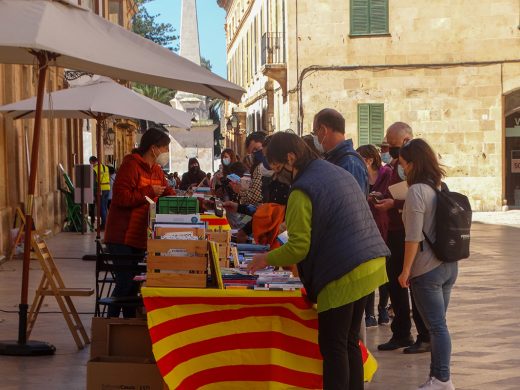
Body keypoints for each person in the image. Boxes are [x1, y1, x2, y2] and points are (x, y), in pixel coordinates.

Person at [248, 132, 390, 390]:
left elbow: (298, 248)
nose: (276, 173)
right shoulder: (333, 171)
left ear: (291, 158)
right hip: (368, 261)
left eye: (278, 166)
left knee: (333, 346)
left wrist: (264, 259)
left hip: (343, 270)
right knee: (348, 342)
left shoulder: (302, 190)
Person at [398, 139, 457, 390]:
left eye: (403, 165)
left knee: (437, 327)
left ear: (413, 164)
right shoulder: (439, 186)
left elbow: (413, 237)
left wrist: (405, 270)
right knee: (437, 326)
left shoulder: (416, 192)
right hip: (448, 265)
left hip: (427, 269)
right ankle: (436, 377)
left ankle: (442, 379)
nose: (403, 170)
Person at [104, 127, 175, 318]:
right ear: (153, 149)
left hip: (140, 236)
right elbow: (120, 198)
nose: (166, 153)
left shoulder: (157, 171)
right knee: (125, 283)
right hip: (122, 236)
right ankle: (108, 325)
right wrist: (149, 192)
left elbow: (167, 192)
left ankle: (128, 327)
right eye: (165, 148)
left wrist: (192, 202)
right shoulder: (130, 166)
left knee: (133, 285)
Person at [374, 122, 430, 354]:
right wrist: (382, 197)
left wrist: (394, 203)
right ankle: (401, 332)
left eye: (394, 146)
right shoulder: (395, 165)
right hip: (394, 231)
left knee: (413, 283)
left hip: (411, 233)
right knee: (394, 284)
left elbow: (422, 199)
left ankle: (424, 335)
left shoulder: (421, 167)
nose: (390, 151)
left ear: (407, 140)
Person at [357, 144, 393, 327]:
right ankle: (369, 313)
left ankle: (383, 309)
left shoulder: (387, 173)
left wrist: (380, 196)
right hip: (367, 224)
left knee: (384, 269)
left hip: (383, 223)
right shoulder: (361, 175)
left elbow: (390, 193)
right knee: (369, 269)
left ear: (369, 160)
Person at [312, 108, 368, 195]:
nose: (315, 137)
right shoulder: (337, 158)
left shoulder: (349, 162)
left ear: (323, 130)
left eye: (315, 132)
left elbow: (352, 203)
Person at [89, 155, 111, 229]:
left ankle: (104, 225)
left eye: (90, 163)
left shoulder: (95, 169)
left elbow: (93, 182)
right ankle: (106, 223)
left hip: (100, 189)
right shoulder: (105, 167)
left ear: (92, 162)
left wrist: (93, 192)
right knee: (104, 207)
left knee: (101, 208)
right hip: (107, 188)